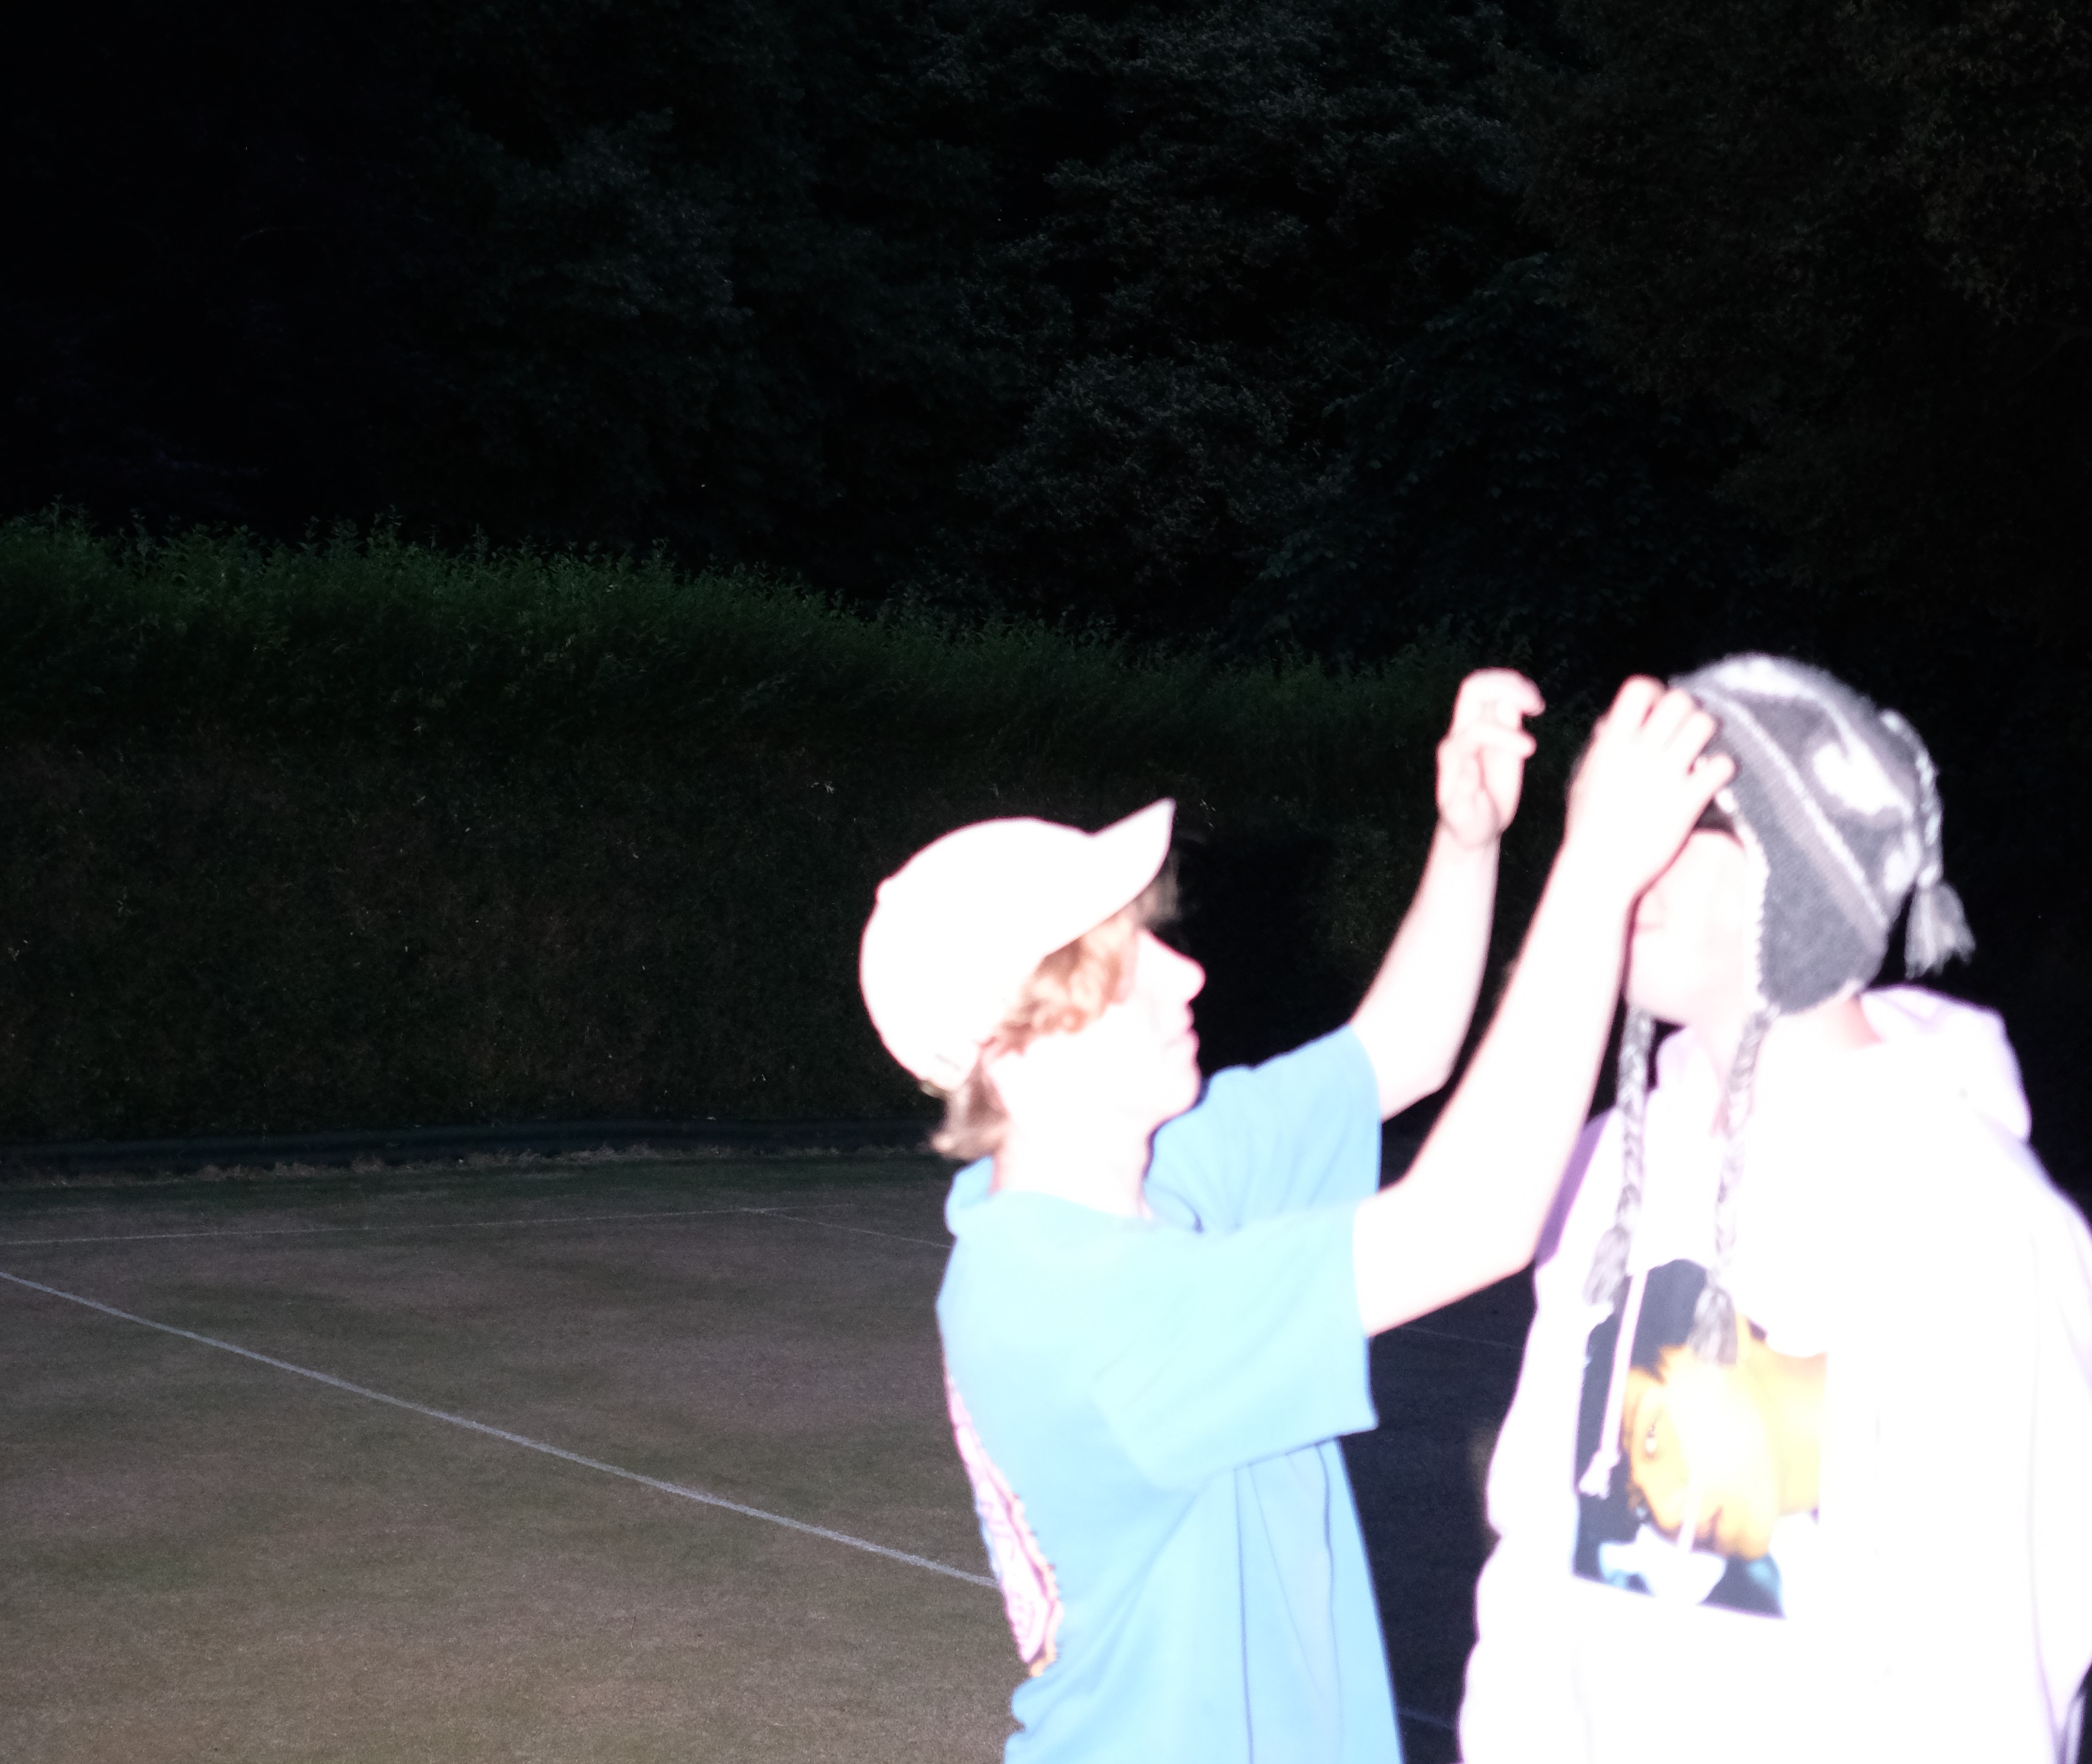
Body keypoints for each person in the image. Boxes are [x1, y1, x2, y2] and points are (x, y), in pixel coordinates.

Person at [857, 668, 1733, 1763]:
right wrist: (1595, 874)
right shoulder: (1079, 1309)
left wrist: (1468, 843)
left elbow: (1399, 1052)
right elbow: (1476, 1220)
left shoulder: (1132, 1179)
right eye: (1123, 971)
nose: (1184, 975)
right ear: (1020, 1065)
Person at [1461, 651, 2092, 1764]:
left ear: (1792, 875)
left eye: (1670, 823)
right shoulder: (1613, 1169)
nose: (1617, 857)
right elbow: (1536, 1549)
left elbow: (1991, 1673)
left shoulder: (1972, 1216)